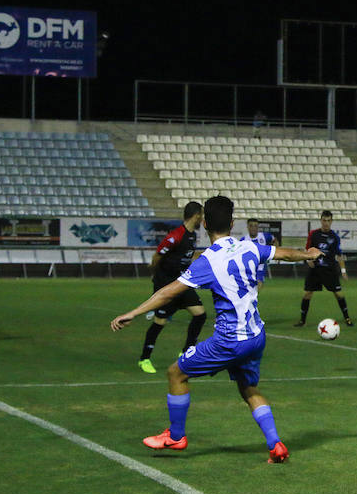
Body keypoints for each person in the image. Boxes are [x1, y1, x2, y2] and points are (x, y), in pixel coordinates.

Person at [111, 195, 322, 463]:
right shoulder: (248, 247)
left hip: (229, 341)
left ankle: (176, 436)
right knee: (248, 389)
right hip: (256, 336)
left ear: (205, 224)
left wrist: (134, 312)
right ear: (232, 223)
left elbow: (167, 293)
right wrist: (308, 254)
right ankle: (275, 444)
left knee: (176, 373)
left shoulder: (207, 261)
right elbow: (284, 253)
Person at [137, 201, 207, 374]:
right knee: (159, 322)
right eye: (202, 215)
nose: (202, 219)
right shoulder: (175, 235)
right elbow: (157, 256)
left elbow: (186, 256)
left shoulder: (192, 236)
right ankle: (144, 359)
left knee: (200, 315)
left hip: (182, 283)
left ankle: (186, 352)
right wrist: (156, 277)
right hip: (167, 286)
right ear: (196, 215)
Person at [294, 210, 353, 327]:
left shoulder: (334, 237)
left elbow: (339, 255)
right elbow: (307, 250)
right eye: (324, 220)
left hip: (329, 270)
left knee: (338, 294)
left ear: (331, 221)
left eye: (328, 221)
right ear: (321, 220)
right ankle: (302, 321)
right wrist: (308, 259)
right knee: (307, 294)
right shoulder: (313, 234)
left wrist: (343, 271)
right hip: (315, 270)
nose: (326, 223)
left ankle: (347, 318)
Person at [240, 217, 279, 291]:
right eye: (251, 226)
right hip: (248, 267)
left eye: (255, 226)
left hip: (260, 265)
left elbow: (275, 240)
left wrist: (276, 252)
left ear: (258, 227)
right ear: (247, 227)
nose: (253, 228)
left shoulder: (264, 236)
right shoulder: (243, 240)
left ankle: (253, 297)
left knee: (259, 282)